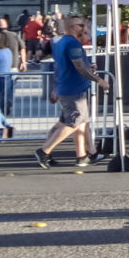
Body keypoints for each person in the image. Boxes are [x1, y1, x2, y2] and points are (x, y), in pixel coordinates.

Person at [35, 16, 100, 169]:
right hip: (72, 88)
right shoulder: (69, 43)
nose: (84, 29)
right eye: (81, 25)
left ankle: (83, 155)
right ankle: (45, 151)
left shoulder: (60, 42)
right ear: (71, 27)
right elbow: (76, 66)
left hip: (69, 87)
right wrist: (98, 79)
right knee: (74, 122)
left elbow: (65, 65)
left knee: (77, 122)